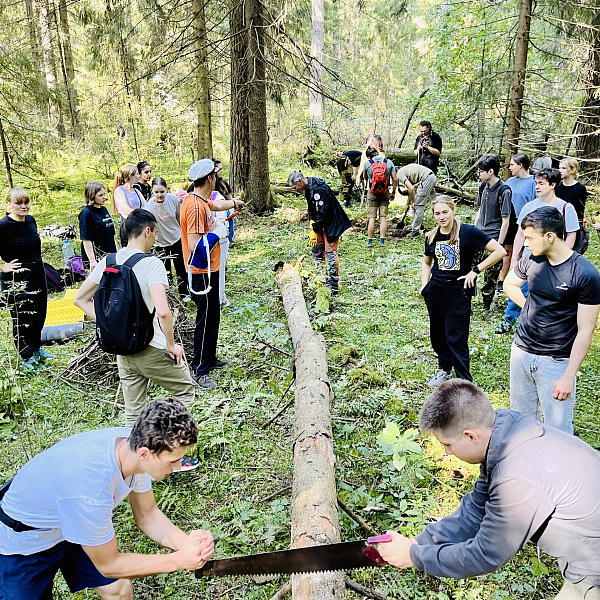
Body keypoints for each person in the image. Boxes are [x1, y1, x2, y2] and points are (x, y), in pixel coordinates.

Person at [377, 379, 600, 600]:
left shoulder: (516, 478)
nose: (446, 453)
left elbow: (486, 554)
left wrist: (415, 557)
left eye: (448, 444)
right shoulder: (505, 430)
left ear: (470, 436)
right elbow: (476, 510)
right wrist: (419, 542)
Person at [0, 398, 215, 600]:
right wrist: (177, 561)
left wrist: (185, 544)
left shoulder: (132, 447)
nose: (178, 467)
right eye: (173, 461)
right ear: (144, 453)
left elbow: (147, 515)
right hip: (25, 542)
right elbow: (109, 565)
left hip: (70, 521)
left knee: (118, 589)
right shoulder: (91, 491)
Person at [74, 210, 198, 467]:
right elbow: (163, 311)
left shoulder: (107, 260)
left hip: (122, 350)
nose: (155, 239)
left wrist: (111, 325)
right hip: (152, 347)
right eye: (154, 233)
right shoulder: (151, 264)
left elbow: (80, 299)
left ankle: (135, 464)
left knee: (134, 411)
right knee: (184, 391)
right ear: (147, 231)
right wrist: (173, 345)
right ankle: (173, 455)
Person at [504, 206, 600, 434]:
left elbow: (586, 331)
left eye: (529, 238)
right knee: (521, 423)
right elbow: (509, 284)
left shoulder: (585, 274)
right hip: (521, 352)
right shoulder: (531, 259)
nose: (525, 244)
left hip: (556, 361)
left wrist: (569, 376)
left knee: (558, 431)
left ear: (549, 236)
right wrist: (529, 306)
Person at [421, 197, 505, 387]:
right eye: (437, 213)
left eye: (445, 212)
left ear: (453, 210)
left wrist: (475, 270)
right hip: (436, 290)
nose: (441, 217)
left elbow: (499, 251)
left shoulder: (468, 232)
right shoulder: (432, 235)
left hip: (458, 291)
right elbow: (427, 262)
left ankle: (464, 382)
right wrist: (424, 285)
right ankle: (445, 370)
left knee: (456, 336)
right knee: (438, 334)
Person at [181, 159, 245, 390]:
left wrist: (232, 203)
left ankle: (210, 357)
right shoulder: (195, 207)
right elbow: (194, 244)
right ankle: (200, 370)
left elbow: (213, 206)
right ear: (210, 179)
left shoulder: (198, 199)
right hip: (202, 272)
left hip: (212, 269)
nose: (218, 177)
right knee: (205, 320)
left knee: (213, 316)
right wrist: (217, 233)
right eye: (216, 175)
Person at [496, 168, 580, 334]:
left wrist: (563, 258)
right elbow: (520, 234)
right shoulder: (530, 207)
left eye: (541, 183)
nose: (537, 187)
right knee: (519, 287)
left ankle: (548, 324)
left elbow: (571, 235)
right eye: (536, 183)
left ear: (552, 185)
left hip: (555, 260)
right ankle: (510, 320)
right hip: (530, 257)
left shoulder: (566, 208)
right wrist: (514, 260)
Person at [0, 188, 54, 372]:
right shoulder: (3, 226)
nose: (24, 206)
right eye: (18, 203)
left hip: (37, 272)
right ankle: (26, 356)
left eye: (26, 202)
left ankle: (37, 348)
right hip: (17, 277)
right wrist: (2, 267)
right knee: (23, 316)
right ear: (9, 204)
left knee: (39, 312)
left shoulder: (31, 221)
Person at [287, 171, 352, 294]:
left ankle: (333, 284)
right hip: (320, 223)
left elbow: (324, 213)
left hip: (332, 223)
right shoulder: (308, 189)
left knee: (330, 253)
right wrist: (312, 222)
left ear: (300, 181)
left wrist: (315, 229)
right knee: (316, 249)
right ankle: (321, 278)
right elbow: (311, 208)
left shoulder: (320, 190)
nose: (295, 190)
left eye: (295, 187)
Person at [473, 153, 513, 317]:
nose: (479, 174)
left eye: (481, 171)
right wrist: (473, 232)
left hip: (494, 237)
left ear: (491, 171)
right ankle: (466, 300)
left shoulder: (504, 191)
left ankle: (486, 306)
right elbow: (480, 210)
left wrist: (499, 244)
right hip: (479, 234)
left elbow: (506, 221)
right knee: (470, 268)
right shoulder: (483, 187)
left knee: (491, 275)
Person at [146, 177, 189, 301]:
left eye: (162, 192)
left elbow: (179, 217)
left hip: (175, 238)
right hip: (160, 242)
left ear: (167, 190)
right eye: (157, 192)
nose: (160, 195)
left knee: (181, 267)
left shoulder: (173, 200)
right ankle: (169, 295)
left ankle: (183, 293)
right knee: (165, 270)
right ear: (152, 191)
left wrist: (183, 234)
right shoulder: (149, 206)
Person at [362, 146, 397, 247]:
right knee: (383, 218)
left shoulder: (367, 163)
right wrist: (393, 192)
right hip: (385, 193)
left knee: (372, 218)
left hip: (372, 193)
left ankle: (369, 242)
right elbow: (395, 179)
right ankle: (382, 242)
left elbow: (365, 178)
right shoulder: (388, 162)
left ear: (368, 156)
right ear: (377, 153)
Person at [79, 182, 117, 272]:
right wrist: (92, 261)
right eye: (100, 195)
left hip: (110, 254)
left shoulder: (103, 209)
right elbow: (86, 239)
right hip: (97, 256)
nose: (104, 197)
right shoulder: (86, 213)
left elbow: (111, 233)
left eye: (104, 194)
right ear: (92, 196)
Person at [556, 157, 589, 254]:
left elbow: (579, 211)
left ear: (572, 170)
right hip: (557, 224)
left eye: (563, 168)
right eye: (559, 168)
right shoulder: (557, 186)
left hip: (572, 225)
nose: (560, 171)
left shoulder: (580, 188)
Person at [395, 162, 437, 238]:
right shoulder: (403, 171)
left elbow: (411, 189)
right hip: (431, 177)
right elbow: (411, 189)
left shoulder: (399, 174)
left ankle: (415, 231)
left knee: (418, 206)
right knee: (436, 203)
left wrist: (414, 202)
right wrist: (407, 204)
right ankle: (419, 225)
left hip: (427, 179)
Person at [112, 164, 146, 247]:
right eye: (137, 174)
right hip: (128, 226)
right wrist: (140, 214)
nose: (139, 176)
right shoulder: (119, 190)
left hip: (140, 225)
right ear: (131, 176)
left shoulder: (136, 191)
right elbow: (125, 209)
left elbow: (145, 206)